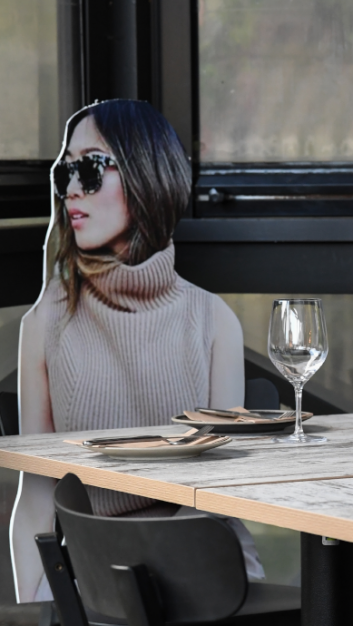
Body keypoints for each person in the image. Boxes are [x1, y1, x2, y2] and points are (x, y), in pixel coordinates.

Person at [11, 100, 255, 603]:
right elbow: (35, 500)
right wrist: (38, 604)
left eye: (91, 167)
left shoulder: (213, 321)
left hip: (207, 573)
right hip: (100, 577)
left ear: (146, 175)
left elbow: (220, 494)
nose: (73, 187)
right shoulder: (45, 323)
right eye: (65, 171)